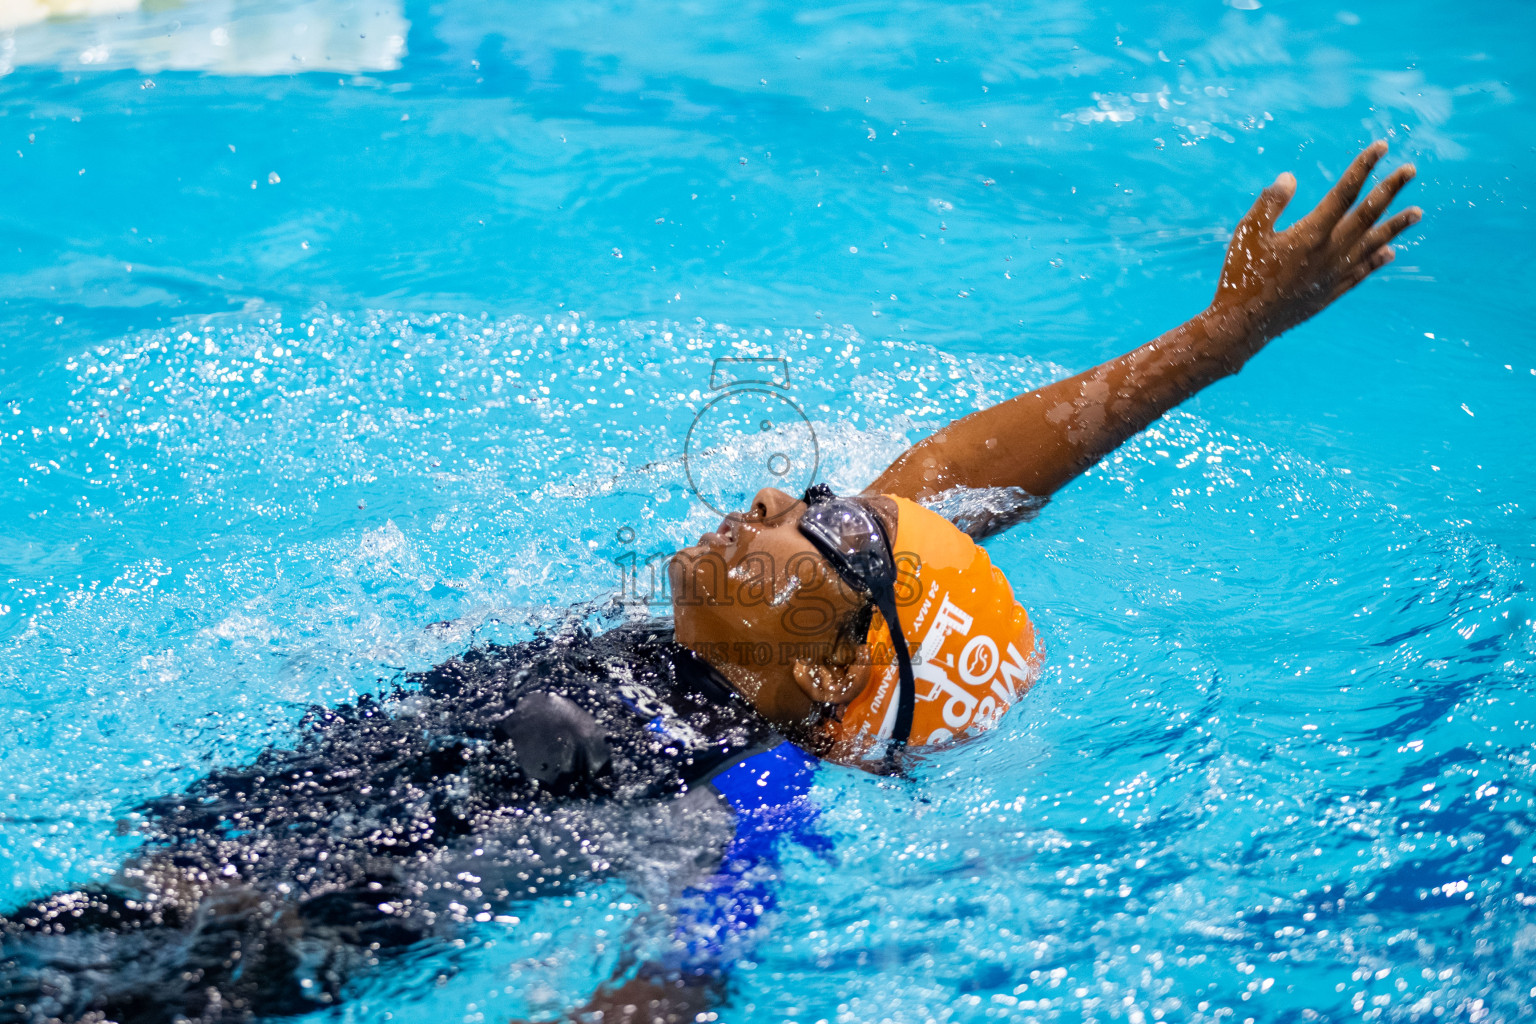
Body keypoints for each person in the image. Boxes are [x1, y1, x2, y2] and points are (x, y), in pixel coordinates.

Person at [0, 142, 1419, 1024]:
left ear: (826, 672)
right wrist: (1223, 340)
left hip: (218, 967)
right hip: (135, 888)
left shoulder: (741, 790)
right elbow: (974, 481)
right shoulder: (707, 643)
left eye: (821, 526)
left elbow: (678, 977)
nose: (775, 496)